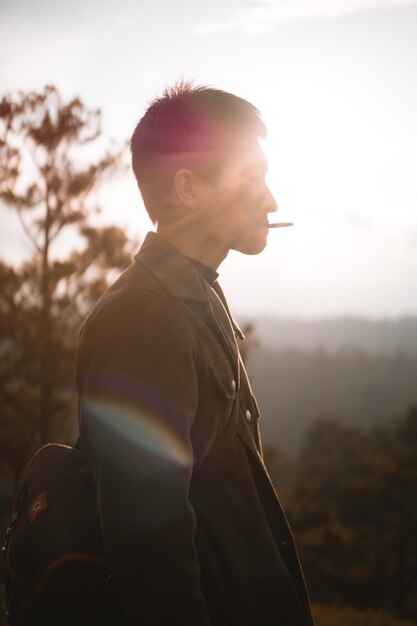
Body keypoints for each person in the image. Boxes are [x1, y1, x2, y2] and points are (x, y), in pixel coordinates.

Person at [75, 81, 314, 626]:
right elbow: (149, 551)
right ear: (189, 188)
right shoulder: (142, 317)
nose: (272, 200)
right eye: (251, 177)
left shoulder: (196, 293)